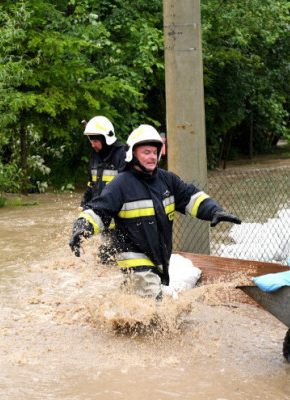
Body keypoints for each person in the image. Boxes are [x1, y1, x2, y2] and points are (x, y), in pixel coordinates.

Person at [68, 124, 241, 298]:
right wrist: (81, 229)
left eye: (154, 152)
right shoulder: (120, 184)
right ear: (133, 154)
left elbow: (191, 197)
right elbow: (98, 211)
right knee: (157, 303)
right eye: (146, 153)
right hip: (133, 256)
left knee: (139, 302)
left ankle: (122, 315)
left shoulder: (167, 180)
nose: (152, 157)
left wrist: (214, 211)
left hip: (159, 256)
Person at [79, 116, 127, 262]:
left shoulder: (123, 155)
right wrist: (85, 205)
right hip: (103, 216)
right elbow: (92, 184)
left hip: (122, 221)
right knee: (106, 258)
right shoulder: (95, 157)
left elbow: (129, 188)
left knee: (114, 257)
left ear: (106, 138)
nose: (93, 145)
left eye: (95, 141)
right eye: (91, 141)